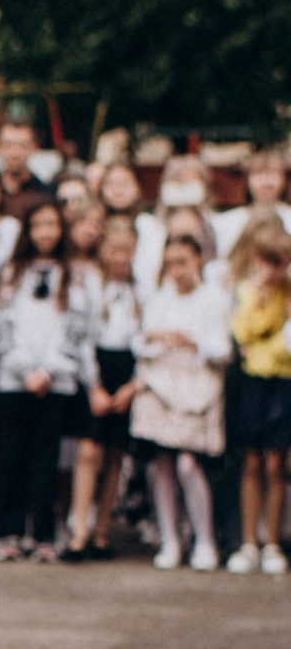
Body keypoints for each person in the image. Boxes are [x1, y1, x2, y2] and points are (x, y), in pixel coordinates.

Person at [0, 192, 83, 558]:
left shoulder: (74, 275)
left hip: (55, 380)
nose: (45, 232)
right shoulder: (13, 274)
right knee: (10, 456)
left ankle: (43, 534)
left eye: (52, 225)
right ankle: (7, 532)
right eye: (38, 225)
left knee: (48, 459)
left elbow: (76, 329)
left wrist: (50, 369)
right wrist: (26, 369)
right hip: (15, 380)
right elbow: (5, 327)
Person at [130, 229, 232, 568]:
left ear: (198, 260)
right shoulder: (159, 298)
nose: (177, 270)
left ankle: (203, 540)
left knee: (188, 464)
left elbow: (222, 349)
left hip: (197, 387)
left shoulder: (214, 298)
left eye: (183, 262)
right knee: (161, 466)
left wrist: (191, 341)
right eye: (170, 263)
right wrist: (157, 338)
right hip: (162, 383)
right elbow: (141, 343)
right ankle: (170, 540)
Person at [66, 211, 142, 560]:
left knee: (115, 453)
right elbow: (81, 337)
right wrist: (93, 384)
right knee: (88, 450)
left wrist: (132, 386)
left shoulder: (140, 290)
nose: (120, 257)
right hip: (97, 369)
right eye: (114, 249)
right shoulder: (91, 285)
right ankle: (78, 525)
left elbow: (144, 340)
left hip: (126, 370)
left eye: (127, 250)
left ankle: (102, 531)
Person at [225, 212, 291, 573]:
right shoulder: (249, 292)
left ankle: (273, 543)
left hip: (283, 383)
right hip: (252, 384)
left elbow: (285, 346)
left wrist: (265, 348)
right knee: (251, 460)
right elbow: (243, 335)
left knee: (275, 462)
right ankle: (249, 542)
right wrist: (262, 297)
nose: (273, 268)